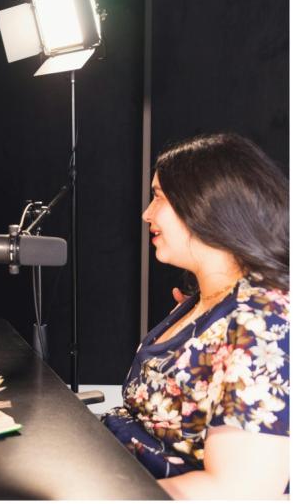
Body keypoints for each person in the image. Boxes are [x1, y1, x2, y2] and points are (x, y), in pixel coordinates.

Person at [102, 133, 289, 499]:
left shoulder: (262, 322)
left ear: (208, 200)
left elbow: (238, 490)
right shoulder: (202, 301)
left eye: (158, 196)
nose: (146, 214)